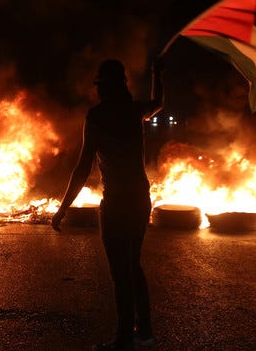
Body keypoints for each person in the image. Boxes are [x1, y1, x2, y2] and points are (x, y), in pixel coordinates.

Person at [52, 57, 164, 351]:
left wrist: (63, 208)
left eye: (101, 85)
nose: (99, 91)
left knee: (120, 271)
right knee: (133, 265)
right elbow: (158, 102)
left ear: (108, 87)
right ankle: (146, 333)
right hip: (140, 198)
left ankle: (125, 338)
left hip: (116, 202)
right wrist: (157, 72)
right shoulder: (134, 110)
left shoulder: (98, 116)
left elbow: (83, 167)